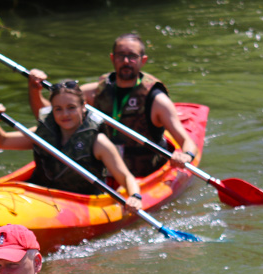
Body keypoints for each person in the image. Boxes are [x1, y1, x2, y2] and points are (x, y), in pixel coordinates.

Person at [27, 33, 198, 178]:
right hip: (102, 170)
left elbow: (187, 142)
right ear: (112, 58)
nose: (126, 61)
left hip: (144, 174)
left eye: (132, 56)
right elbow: (47, 116)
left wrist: (187, 156)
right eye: (120, 55)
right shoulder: (93, 93)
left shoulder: (156, 100)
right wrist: (35, 90)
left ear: (143, 60)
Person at [0, 81, 142, 212]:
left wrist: (135, 197)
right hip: (40, 197)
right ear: (52, 110)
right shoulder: (42, 134)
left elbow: (126, 177)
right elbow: (1, 142)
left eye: (71, 107)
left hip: (82, 203)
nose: (65, 114)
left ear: (83, 107)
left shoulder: (98, 142)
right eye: (58, 109)